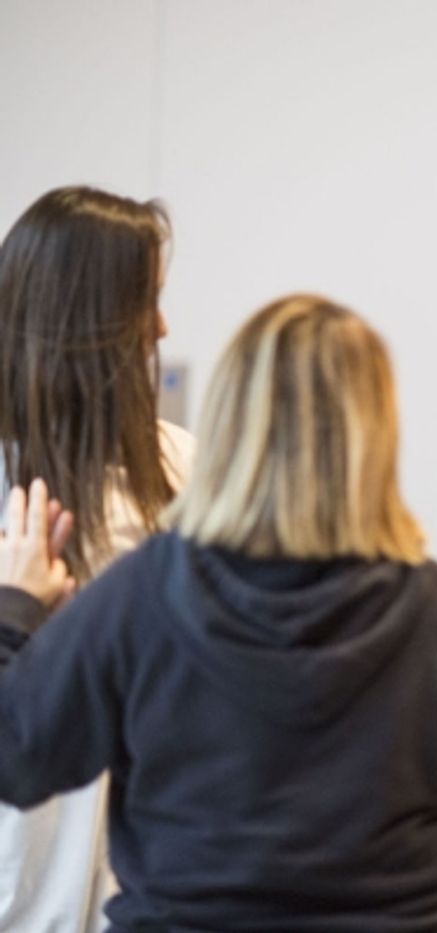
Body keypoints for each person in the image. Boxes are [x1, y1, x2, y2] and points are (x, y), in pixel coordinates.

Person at [0, 295, 437, 931]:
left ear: (228, 421)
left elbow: (17, 760)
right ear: (378, 433)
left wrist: (16, 610)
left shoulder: (142, 595)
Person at [0, 186, 195, 932]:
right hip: (23, 876)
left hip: (148, 883)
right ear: (83, 317)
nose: (162, 327)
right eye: (144, 301)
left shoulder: (184, 471)